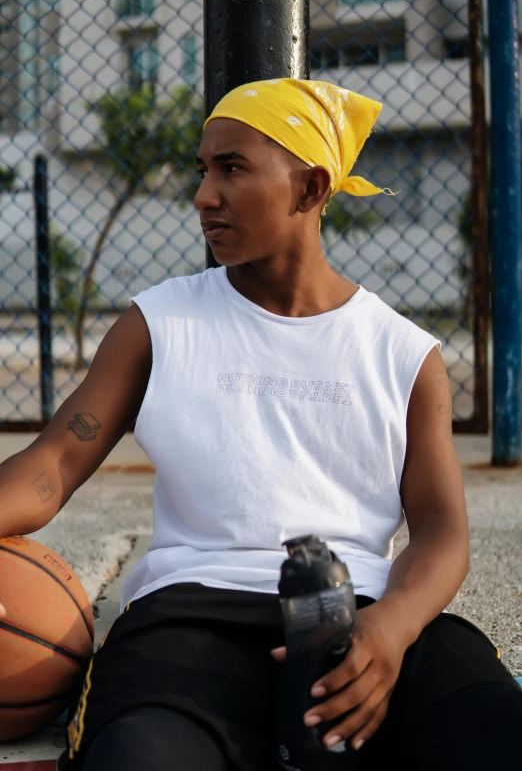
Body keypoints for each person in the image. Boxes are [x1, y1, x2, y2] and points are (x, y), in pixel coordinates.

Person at [0, 78, 520, 771]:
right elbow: (56, 464)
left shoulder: (403, 354)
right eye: (203, 168)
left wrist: (392, 627)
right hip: (191, 621)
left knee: (493, 728)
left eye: (232, 168)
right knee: (139, 756)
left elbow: (441, 531)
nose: (202, 195)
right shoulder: (160, 323)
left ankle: (326, 713)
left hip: (360, 613)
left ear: (309, 189)